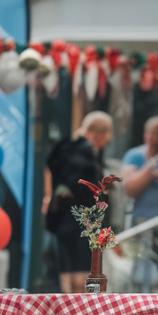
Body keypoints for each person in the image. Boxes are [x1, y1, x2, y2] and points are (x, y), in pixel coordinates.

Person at [43, 111, 113, 293]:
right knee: (82, 274)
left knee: (67, 271)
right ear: (100, 134)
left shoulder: (66, 150)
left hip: (64, 222)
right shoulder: (83, 153)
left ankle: (70, 314)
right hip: (81, 223)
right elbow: (85, 188)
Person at [120, 117, 158, 289]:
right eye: (152, 134)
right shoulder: (134, 156)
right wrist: (149, 171)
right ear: (146, 136)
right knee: (138, 271)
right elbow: (129, 188)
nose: (154, 138)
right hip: (141, 225)